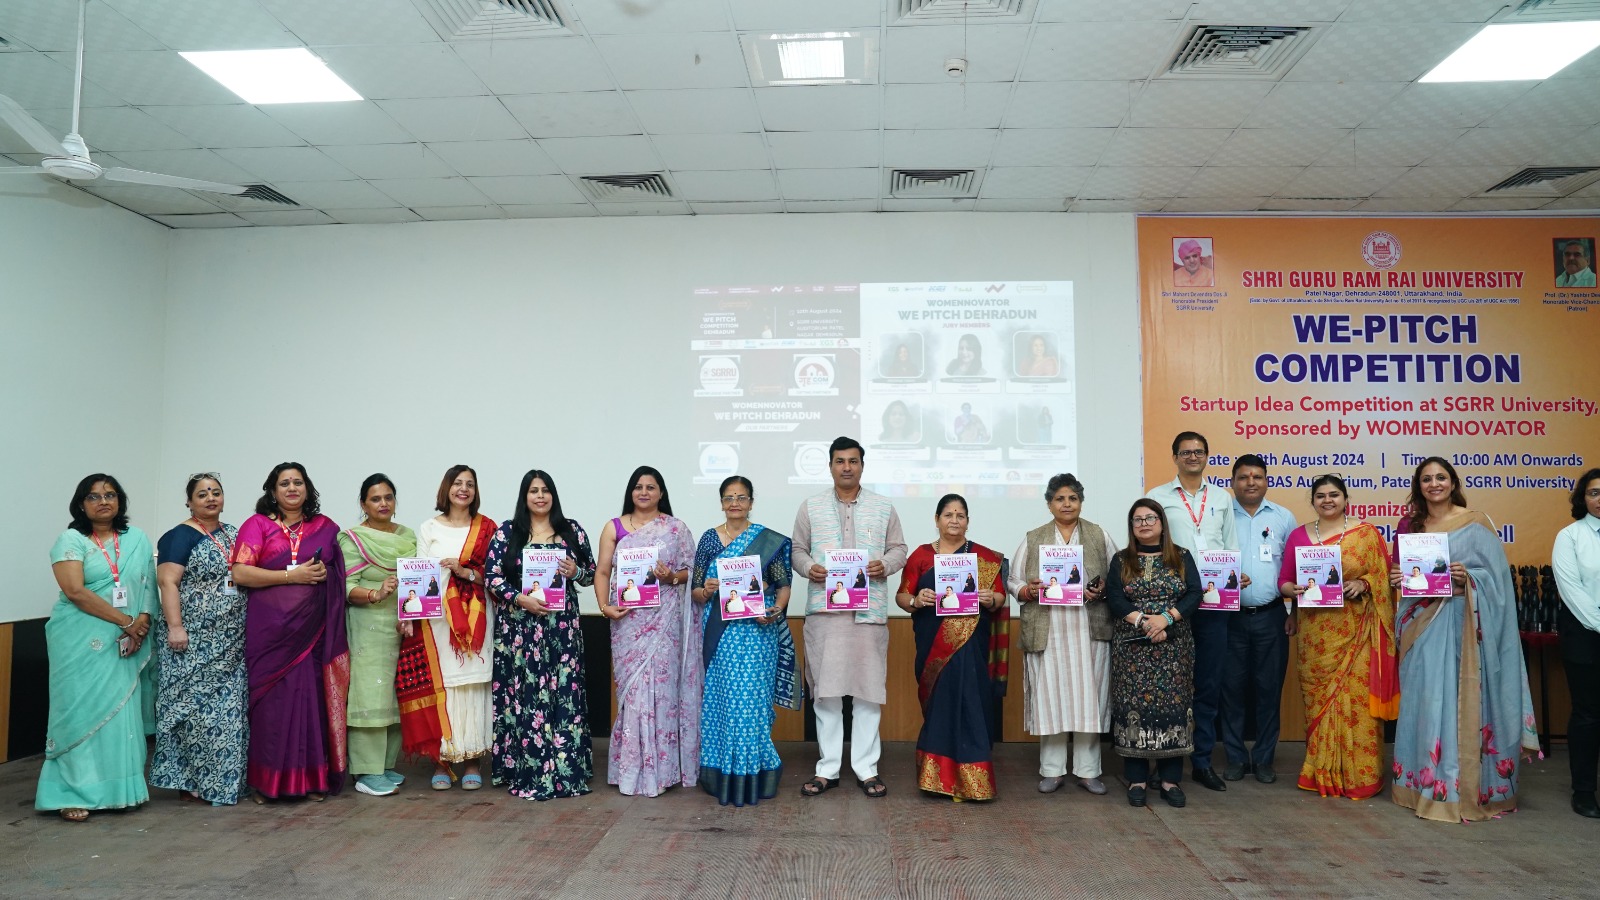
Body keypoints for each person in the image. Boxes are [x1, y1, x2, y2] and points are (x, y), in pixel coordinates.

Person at [1390, 457, 1537, 822]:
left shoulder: (1475, 524)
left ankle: (1464, 788)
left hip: (1464, 626)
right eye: (1426, 479)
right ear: (1419, 486)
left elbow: (1498, 581)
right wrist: (1398, 577)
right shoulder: (1411, 526)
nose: (1434, 484)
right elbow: (1408, 575)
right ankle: (1427, 784)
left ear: (1453, 483)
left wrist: (1467, 578)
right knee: (1428, 700)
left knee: (1460, 700)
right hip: (1423, 628)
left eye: (1441, 477)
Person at [793, 437, 909, 799]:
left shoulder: (883, 506)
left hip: (868, 612)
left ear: (862, 465)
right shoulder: (810, 506)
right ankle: (827, 769)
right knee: (826, 694)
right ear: (830, 466)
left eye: (853, 461)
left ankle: (866, 768)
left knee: (867, 693)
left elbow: (899, 549)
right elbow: (797, 550)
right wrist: (809, 568)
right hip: (825, 613)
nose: (847, 467)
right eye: (840, 461)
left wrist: (884, 565)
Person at [38, 474, 158, 822]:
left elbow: (147, 585)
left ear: (120, 501)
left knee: (121, 715)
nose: (103, 501)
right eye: (93, 496)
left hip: (127, 640)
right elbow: (75, 591)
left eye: (110, 495)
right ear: (81, 504)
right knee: (79, 713)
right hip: (79, 641)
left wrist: (142, 623)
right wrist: (126, 622)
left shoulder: (136, 538)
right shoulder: (71, 540)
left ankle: (120, 791)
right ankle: (70, 792)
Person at [230, 462, 349, 802]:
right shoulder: (257, 526)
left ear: (307, 489)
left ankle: (311, 781)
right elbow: (240, 573)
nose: (292, 488)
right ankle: (268, 785)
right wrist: (290, 576)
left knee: (311, 703)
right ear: (272, 491)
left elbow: (338, 573)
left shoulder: (325, 527)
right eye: (284, 483)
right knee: (272, 708)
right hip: (269, 634)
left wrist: (327, 575)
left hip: (312, 632)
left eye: (298, 482)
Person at [1276, 475, 1398, 799]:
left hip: (1358, 632)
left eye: (1334, 494)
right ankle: (1320, 772)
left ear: (1345, 498)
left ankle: (1362, 776)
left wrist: (1364, 583)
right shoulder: (1299, 535)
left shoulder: (1366, 533)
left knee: (1358, 704)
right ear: (1313, 501)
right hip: (1315, 635)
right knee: (1318, 701)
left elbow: (1383, 575)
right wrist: (1293, 590)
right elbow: (1284, 580)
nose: (1327, 500)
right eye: (1320, 495)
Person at [486, 469, 595, 801]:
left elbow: (591, 574)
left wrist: (576, 571)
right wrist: (521, 599)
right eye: (534, 490)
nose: (540, 496)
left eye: (546, 490)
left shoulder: (571, 530)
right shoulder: (508, 532)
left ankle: (566, 770)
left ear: (553, 495)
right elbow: (491, 577)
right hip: (520, 629)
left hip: (562, 630)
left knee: (565, 693)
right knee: (526, 695)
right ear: (525, 496)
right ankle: (527, 768)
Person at [691, 475, 798, 807]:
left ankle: (754, 773)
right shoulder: (709, 540)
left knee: (751, 704)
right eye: (728, 498)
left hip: (757, 632)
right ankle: (721, 771)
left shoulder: (767, 540)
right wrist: (706, 590)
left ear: (751, 502)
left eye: (741, 497)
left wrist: (775, 611)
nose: (734, 503)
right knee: (723, 701)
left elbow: (782, 585)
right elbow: (695, 591)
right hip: (720, 634)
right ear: (721, 503)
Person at [1012, 475, 1119, 796]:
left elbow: (1118, 577)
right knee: (1051, 698)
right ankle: (1052, 770)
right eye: (1060, 498)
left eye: (1073, 498)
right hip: (1049, 631)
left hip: (1089, 630)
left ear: (1081, 502)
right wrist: (1028, 590)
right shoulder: (1033, 538)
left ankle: (1088, 771)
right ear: (1049, 504)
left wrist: (1103, 589)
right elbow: (1013, 581)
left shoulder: (1099, 535)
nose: (1067, 504)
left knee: (1089, 699)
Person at [897, 494, 1007, 801]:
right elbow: (902, 597)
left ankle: (974, 781)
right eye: (948, 515)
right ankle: (936, 780)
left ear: (968, 521)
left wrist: (991, 599)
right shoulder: (921, 555)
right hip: (933, 645)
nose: (954, 520)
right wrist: (916, 600)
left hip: (971, 646)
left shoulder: (984, 557)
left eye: (960, 515)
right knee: (941, 707)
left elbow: (1000, 597)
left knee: (971, 703)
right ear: (937, 520)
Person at [596, 466, 697, 797]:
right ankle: (631, 771)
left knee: (662, 693)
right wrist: (604, 606)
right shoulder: (613, 527)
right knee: (634, 694)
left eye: (651, 487)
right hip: (627, 621)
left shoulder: (675, 528)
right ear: (631, 491)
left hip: (664, 621)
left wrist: (671, 577)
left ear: (661, 493)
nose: (644, 492)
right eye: (638, 487)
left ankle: (661, 772)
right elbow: (603, 571)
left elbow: (690, 572)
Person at [1147, 431, 1238, 793]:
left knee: (1208, 685)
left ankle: (1201, 762)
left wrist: (1236, 574)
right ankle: (1162, 762)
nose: (1192, 457)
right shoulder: (1158, 497)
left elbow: (1229, 545)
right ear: (1175, 457)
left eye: (1199, 452)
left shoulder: (1222, 497)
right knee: (1170, 686)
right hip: (1173, 603)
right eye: (1185, 452)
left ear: (1207, 456)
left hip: (1215, 604)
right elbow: (1150, 546)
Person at [151, 473, 246, 806]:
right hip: (192, 642)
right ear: (189, 501)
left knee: (229, 714)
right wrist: (176, 626)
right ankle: (190, 780)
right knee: (194, 714)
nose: (211, 498)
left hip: (231, 641)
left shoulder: (233, 533)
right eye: (202, 494)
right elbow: (168, 582)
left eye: (216, 492)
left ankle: (225, 782)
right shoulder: (179, 536)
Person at [1105, 500, 1202, 808]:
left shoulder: (1181, 557)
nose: (1144, 524)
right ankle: (1137, 780)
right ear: (1131, 526)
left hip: (1174, 647)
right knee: (1134, 711)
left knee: (1174, 710)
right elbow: (1115, 598)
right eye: (1137, 520)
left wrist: (1166, 619)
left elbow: (1195, 593)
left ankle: (1171, 780)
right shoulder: (1121, 559)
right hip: (1131, 649)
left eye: (1150, 518)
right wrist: (1145, 622)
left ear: (1161, 523)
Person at [410, 464, 496, 791]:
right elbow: (419, 574)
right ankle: (442, 760)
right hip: (438, 620)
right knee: (443, 686)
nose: (463, 489)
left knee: (472, 684)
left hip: (476, 620)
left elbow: (496, 577)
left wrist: (465, 572)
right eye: (457, 483)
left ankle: (473, 759)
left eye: (470, 484)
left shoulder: (487, 528)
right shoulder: (429, 528)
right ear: (446, 488)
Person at [1219, 454, 1297, 784]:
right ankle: (1235, 757)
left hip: (1272, 617)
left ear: (1267, 481)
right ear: (1232, 482)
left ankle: (1264, 758)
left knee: (1269, 690)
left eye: (1257, 477)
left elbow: (1294, 569)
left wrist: (1294, 611)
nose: (1250, 482)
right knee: (1231, 690)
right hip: (1229, 618)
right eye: (1243, 477)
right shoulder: (1220, 515)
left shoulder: (1283, 517)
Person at [336, 475, 415, 798]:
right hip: (367, 625)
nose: (383, 504)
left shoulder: (408, 536)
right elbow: (345, 588)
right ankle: (366, 771)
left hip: (403, 625)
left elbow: (418, 581)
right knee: (370, 694)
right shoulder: (352, 539)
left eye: (388, 497)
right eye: (375, 499)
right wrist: (375, 593)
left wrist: (411, 615)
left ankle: (384, 764)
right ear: (363, 504)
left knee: (396, 694)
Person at [1553, 468, 1600, 818]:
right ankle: (1584, 791)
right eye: (1594, 492)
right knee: (1588, 714)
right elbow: (1573, 592)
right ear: (1583, 498)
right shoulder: (1570, 536)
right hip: (1586, 634)